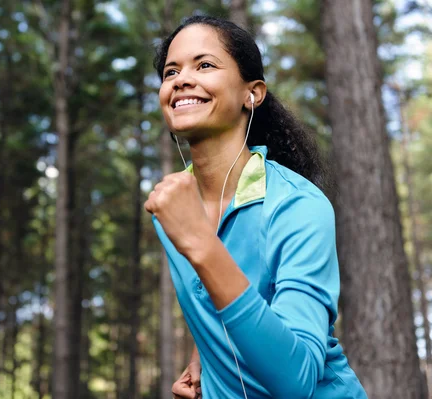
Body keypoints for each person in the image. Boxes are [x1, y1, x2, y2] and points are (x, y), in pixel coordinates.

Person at [144, 16, 368, 399]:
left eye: (205, 65)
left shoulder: (298, 205)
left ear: (253, 93)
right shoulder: (172, 204)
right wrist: (206, 358)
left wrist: (202, 245)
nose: (181, 79)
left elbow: (297, 380)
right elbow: (227, 298)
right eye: (171, 71)